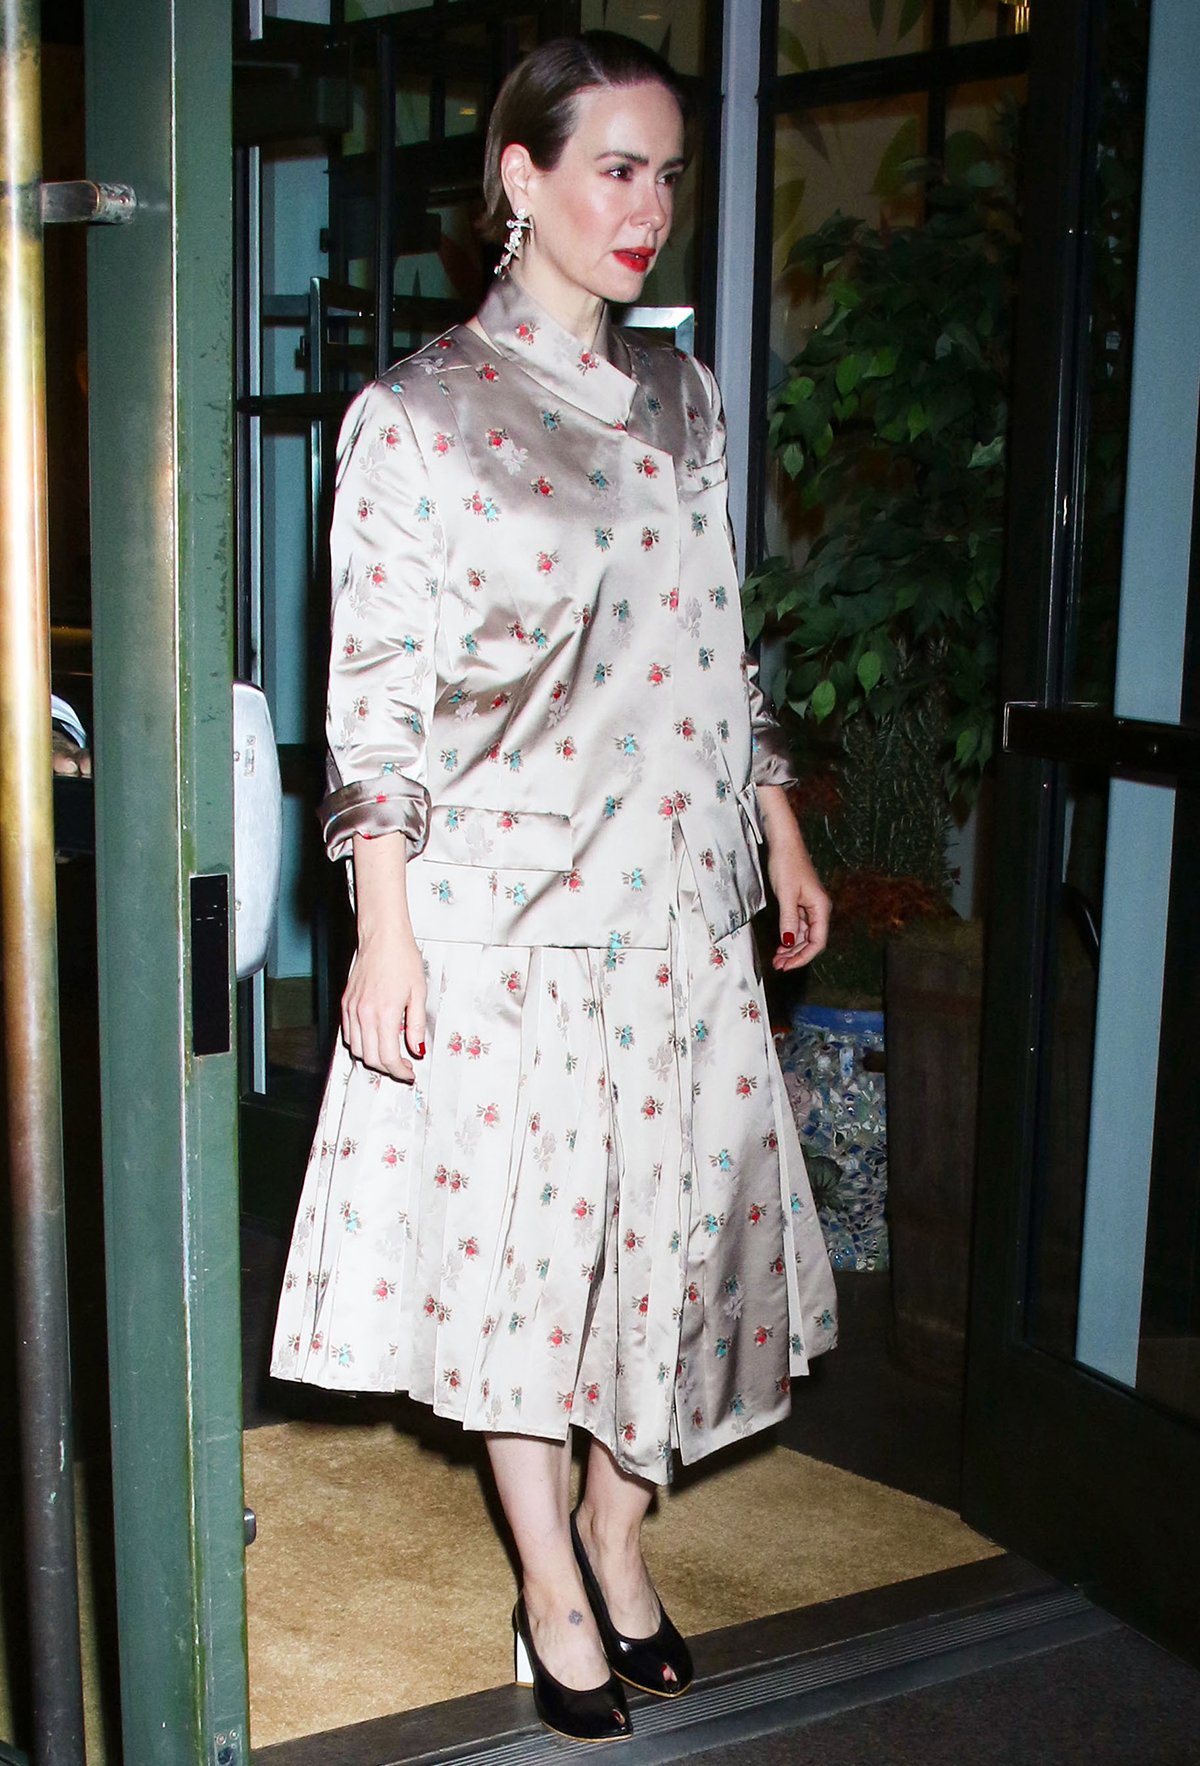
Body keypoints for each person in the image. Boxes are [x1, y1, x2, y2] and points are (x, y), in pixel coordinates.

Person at [271, 31, 838, 1745]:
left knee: (656, 1258)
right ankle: (547, 1577)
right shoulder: (419, 419)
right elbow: (370, 710)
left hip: (674, 907)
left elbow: (720, 646)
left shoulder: (685, 396)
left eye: (668, 172)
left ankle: (617, 1525)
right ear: (520, 182)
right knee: (537, 1274)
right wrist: (384, 928)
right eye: (616, 167)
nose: (648, 206)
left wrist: (781, 822)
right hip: (511, 925)